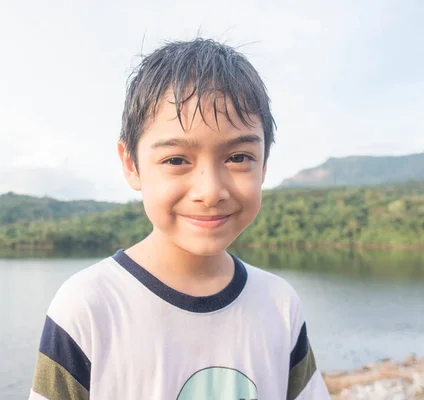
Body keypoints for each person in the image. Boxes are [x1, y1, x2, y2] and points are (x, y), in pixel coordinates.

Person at [29, 38, 331, 399]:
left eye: (238, 157)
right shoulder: (89, 307)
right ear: (131, 164)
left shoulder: (279, 305)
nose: (210, 191)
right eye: (176, 160)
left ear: (264, 164)